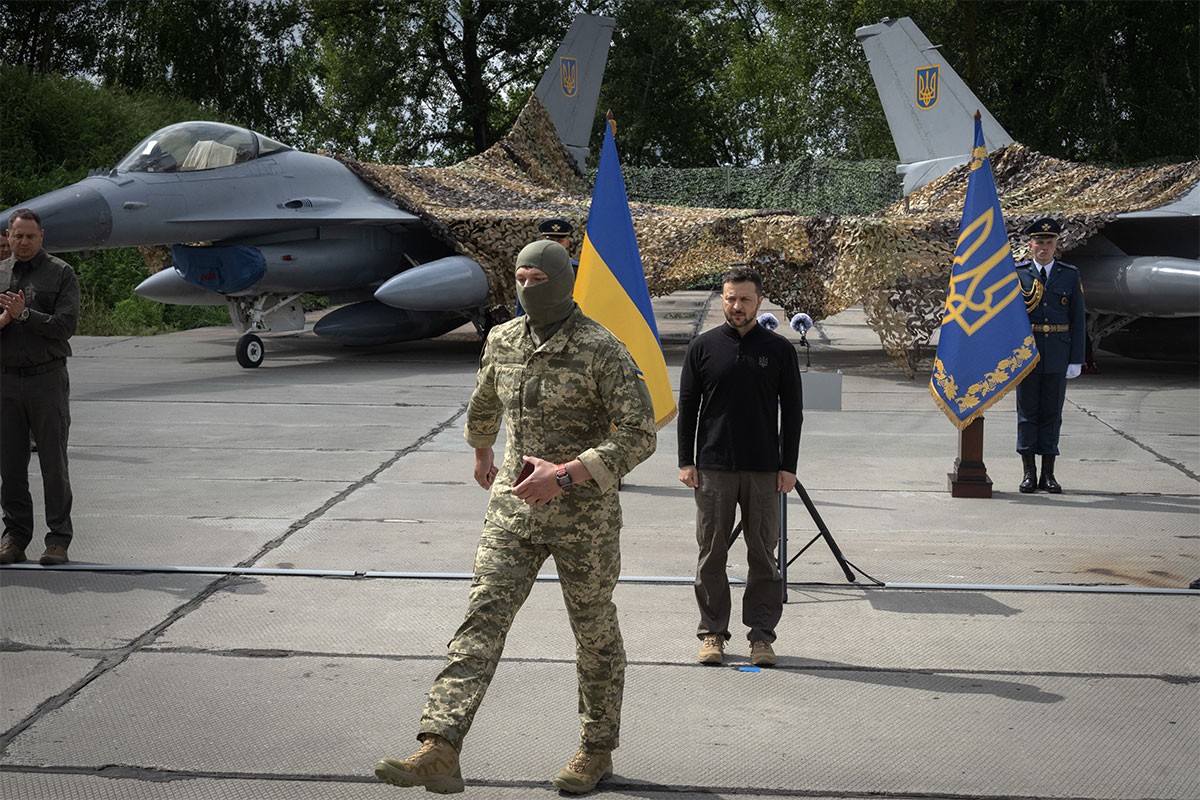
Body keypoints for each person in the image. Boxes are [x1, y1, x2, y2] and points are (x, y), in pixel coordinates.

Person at [374, 239, 656, 795]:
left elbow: (639, 434)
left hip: (584, 521)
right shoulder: (503, 340)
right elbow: (485, 399)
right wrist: (481, 451)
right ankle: (440, 746)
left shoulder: (601, 349)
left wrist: (568, 473)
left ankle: (595, 750)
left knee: (594, 632)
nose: (527, 288)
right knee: (481, 618)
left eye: (536, 279)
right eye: (519, 279)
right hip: (513, 514)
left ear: (559, 282)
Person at [677, 266, 803, 668]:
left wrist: (789, 466)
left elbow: (794, 413)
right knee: (711, 553)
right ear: (722, 299)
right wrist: (685, 461)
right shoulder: (702, 348)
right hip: (713, 468)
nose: (736, 306)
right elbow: (688, 409)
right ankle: (712, 633)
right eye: (730, 298)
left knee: (763, 555)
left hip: (765, 470)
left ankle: (761, 637)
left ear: (759, 302)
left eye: (745, 299)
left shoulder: (779, 350)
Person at [0, 209, 81, 566]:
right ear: (9, 235)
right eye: (18, 236)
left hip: (46, 379)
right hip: (5, 380)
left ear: (41, 236)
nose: (24, 242)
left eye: (31, 236)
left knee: (53, 462)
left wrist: (26, 315)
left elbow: (65, 325)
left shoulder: (61, 273)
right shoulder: (0, 274)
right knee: (11, 465)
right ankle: (14, 538)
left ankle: (57, 540)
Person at [1015, 217, 1086, 494]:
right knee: (1027, 413)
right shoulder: (1018, 273)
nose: (1044, 247)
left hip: (1057, 352)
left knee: (1052, 414)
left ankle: (1049, 474)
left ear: (1057, 244)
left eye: (1049, 242)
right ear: (1030, 244)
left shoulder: (1069, 274)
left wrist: (1076, 358)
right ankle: (1028, 474)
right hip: (1028, 353)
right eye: (1039, 242)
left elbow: (1077, 318)